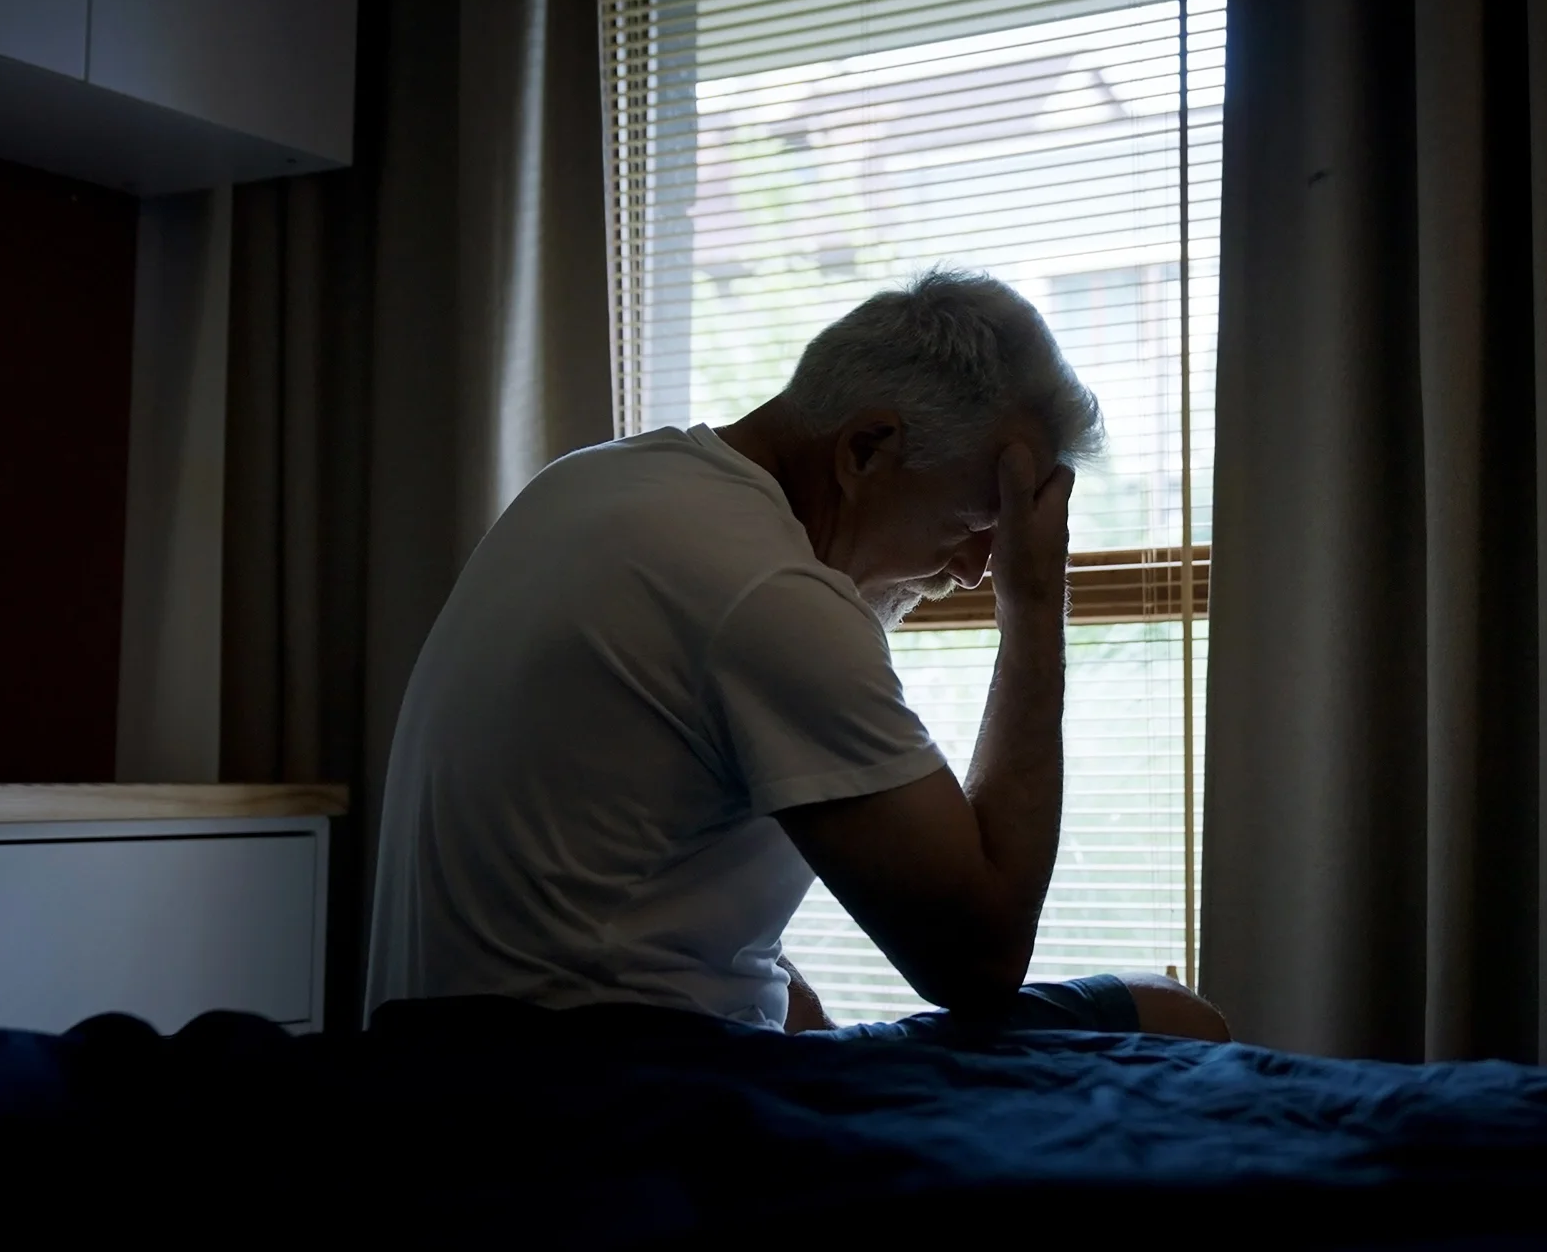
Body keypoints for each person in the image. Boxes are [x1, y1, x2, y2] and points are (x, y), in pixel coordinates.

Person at [363, 268, 1229, 1044]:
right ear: (866, 449)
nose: (976, 570)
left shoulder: (597, 481)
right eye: (975, 523)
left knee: (1151, 1009)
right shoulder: (766, 589)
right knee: (1174, 1021)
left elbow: (662, 915)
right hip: (602, 1106)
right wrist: (1035, 610)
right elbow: (980, 958)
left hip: (453, 1065)